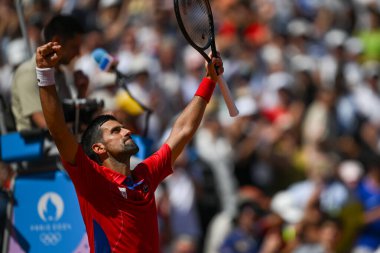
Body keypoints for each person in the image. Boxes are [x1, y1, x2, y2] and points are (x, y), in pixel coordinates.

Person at [35, 41, 223, 252]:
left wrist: (209, 80)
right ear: (99, 148)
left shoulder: (145, 176)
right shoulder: (92, 179)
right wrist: (44, 72)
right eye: (116, 131)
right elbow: (59, 131)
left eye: (123, 127)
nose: (127, 131)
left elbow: (183, 130)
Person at [11, 14, 87, 131]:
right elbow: (47, 125)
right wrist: (85, 129)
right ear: (56, 41)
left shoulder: (59, 72)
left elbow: (70, 118)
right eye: (74, 47)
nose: (78, 53)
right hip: (39, 146)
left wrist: (81, 92)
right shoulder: (28, 73)